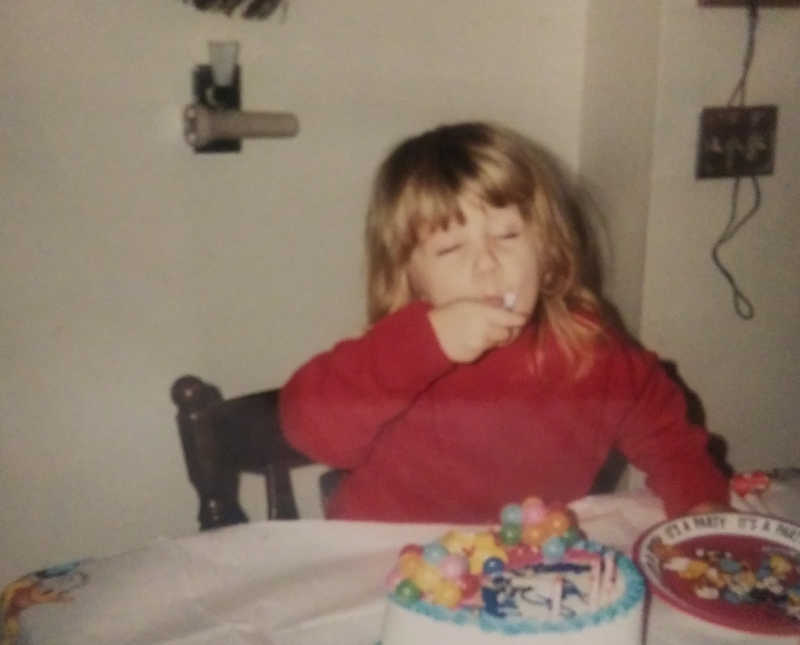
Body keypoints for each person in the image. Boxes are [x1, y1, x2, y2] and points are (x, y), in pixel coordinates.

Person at [279, 122, 729, 523]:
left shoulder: (588, 346)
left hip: (520, 565)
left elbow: (669, 438)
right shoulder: (401, 351)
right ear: (409, 277)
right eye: (451, 249)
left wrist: (699, 502)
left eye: (508, 235)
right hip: (387, 559)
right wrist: (424, 342)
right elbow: (309, 429)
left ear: (548, 251)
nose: (487, 262)